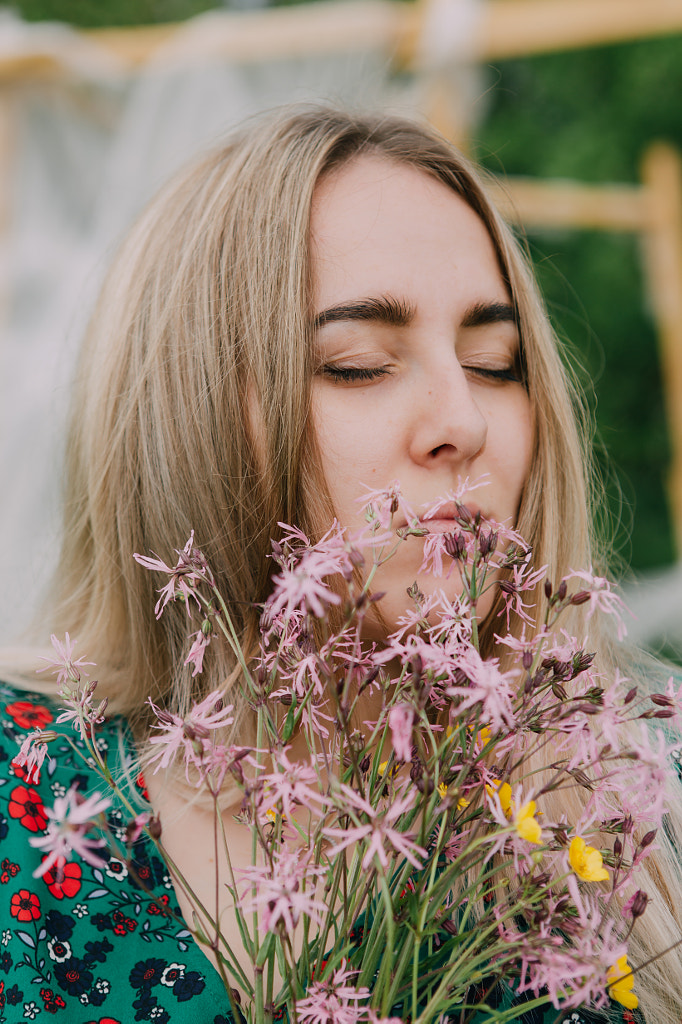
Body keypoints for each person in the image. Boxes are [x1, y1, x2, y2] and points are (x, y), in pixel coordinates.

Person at [1, 105, 681, 1024]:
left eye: (496, 361)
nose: (464, 422)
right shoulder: (23, 792)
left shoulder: (635, 803)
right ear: (189, 415)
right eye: (358, 364)